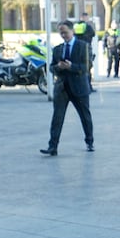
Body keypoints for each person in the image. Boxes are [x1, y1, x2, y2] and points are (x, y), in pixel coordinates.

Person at [40, 20, 94, 156]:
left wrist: (71, 67)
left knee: (85, 116)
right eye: (61, 33)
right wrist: (58, 67)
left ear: (72, 31)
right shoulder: (57, 49)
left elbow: (87, 66)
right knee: (57, 118)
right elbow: (51, 67)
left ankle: (89, 141)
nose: (63, 35)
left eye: (65, 32)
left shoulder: (83, 46)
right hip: (62, 88)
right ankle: (52, 146)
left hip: (79, 87)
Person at [74, 12, 97, 92]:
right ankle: (88, 87)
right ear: (85, 18)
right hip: (87, 49)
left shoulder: (75, 26)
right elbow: (93, 34)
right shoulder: (87, 26)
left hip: (77, 49)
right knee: (87, 67)